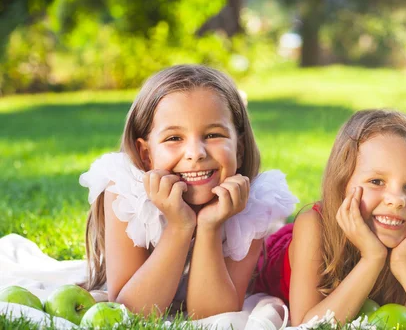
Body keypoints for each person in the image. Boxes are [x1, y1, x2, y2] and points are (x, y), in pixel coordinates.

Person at [79, 64, 297, 319]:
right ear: (146, 154)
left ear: (238, 149)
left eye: (213, 134)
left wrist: (210, 226)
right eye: (174, 138)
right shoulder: (126, 191)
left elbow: (212, 316)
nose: (196, 153)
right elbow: (132, 311)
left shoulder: (252, 202)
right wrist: (179, 226)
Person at [253, 109, 406, 329]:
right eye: (377, 181)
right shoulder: (313, 226)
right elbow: (308, 325)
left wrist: (403, 262)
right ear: (342, 185)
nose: (397, 200)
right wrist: (372, 258)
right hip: (279, 254)